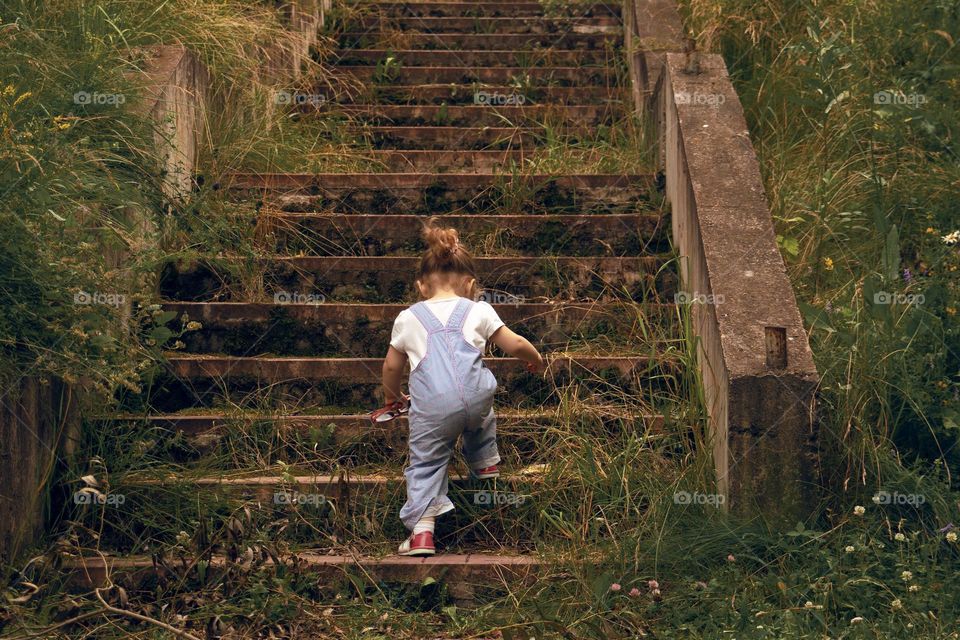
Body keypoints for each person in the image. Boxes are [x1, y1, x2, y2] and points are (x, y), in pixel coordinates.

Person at [380, 217, 545, 556]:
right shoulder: (479, 310)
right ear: (470, 285)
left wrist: (392, 397)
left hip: (434, 410)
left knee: (426, 461)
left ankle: (423, 533)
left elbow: (391, 365)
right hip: (477, 400)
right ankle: (485, 461)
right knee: (480, 408)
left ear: (422, 287)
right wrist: (536, 360)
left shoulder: (408, 317)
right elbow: (514, 344)